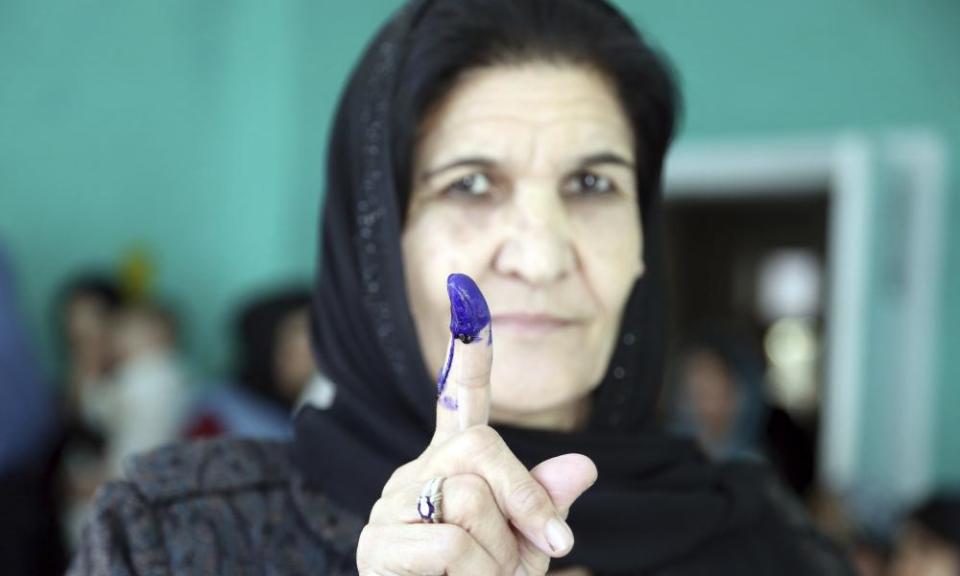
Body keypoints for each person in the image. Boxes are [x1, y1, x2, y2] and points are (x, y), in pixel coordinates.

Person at [70, 0, 854, 574]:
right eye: (472, 183)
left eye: (592, 182)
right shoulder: (176, 540)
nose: (543, 258)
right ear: (376, 247)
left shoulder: (766, 541)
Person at [183, 287, 332, 440]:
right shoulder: (214, 420)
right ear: (267, 348)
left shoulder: (328, 413)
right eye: (310, 351)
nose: (329, 354)